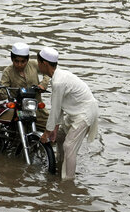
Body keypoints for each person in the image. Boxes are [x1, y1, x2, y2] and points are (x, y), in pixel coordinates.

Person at [37, 47, 99, 179]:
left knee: (69, 146)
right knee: (60, 137)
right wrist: (55, 128)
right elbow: (59, 107)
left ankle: (68, 181)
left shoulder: (58, 81)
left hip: (84, 113)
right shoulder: (59, 76)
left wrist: (47, 132)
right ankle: (60, 165)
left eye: (38, 63)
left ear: (44, 64)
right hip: (76, 112)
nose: (38, 66)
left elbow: (54, 110)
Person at [0, 42, 51, 130]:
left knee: (51, 129)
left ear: (27, 60)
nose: (19, 64)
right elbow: (3, 94)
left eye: (23, 61)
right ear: (12, 59)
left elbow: (47, 72)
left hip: (36, 109)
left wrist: (43, 85)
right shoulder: (7, 72)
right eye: (16, 61)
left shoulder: (34, 64)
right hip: (18, 111)